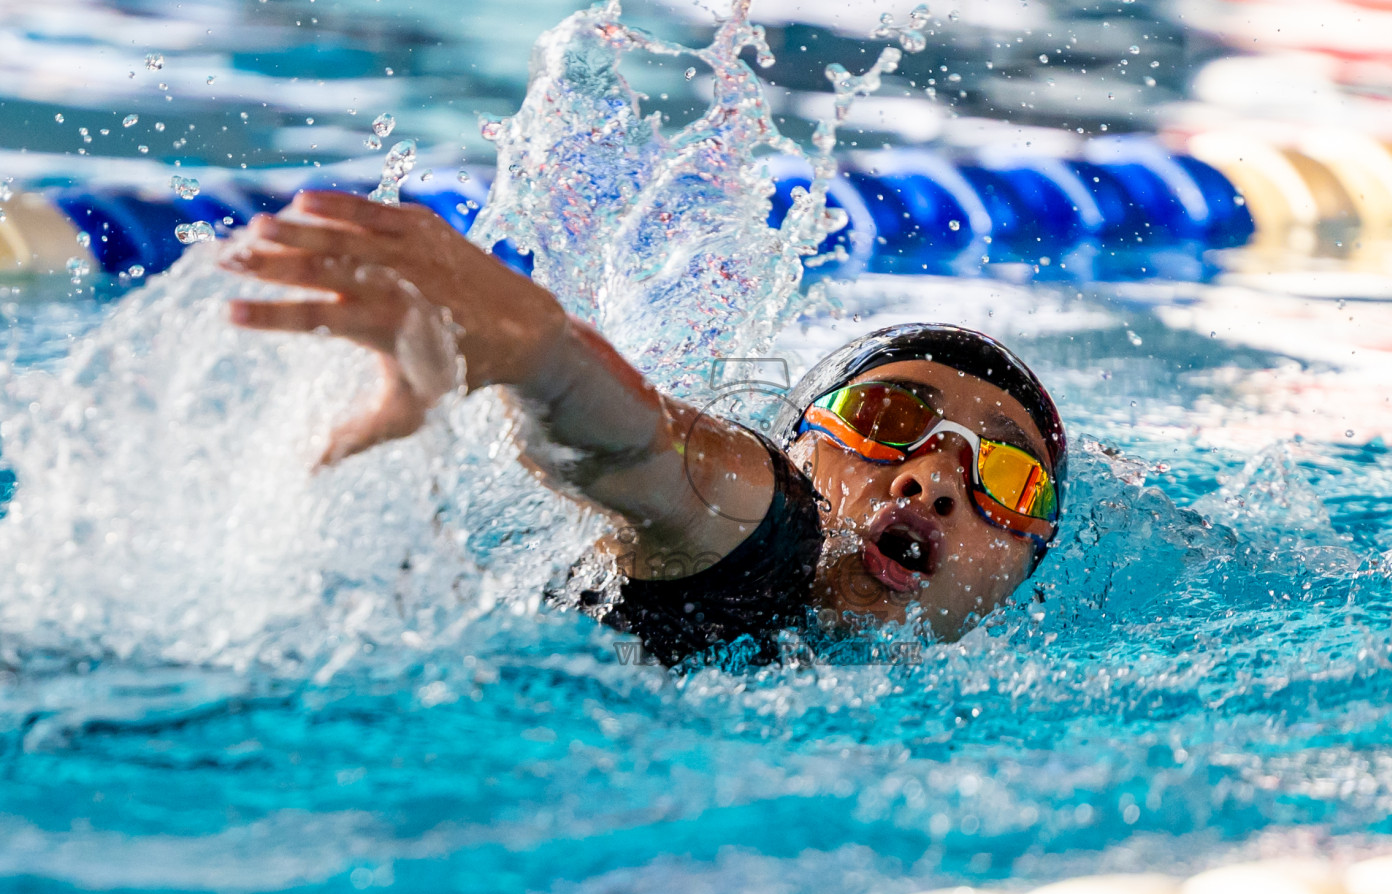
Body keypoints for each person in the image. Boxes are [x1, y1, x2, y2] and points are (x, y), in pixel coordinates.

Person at [221, 191, 1068, 666]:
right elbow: (651, 457)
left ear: (1032, 566)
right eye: (888, 419)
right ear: (797, 443)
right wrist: (543, 355)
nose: (932, 479)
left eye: (1007, 478)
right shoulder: (763, 541)